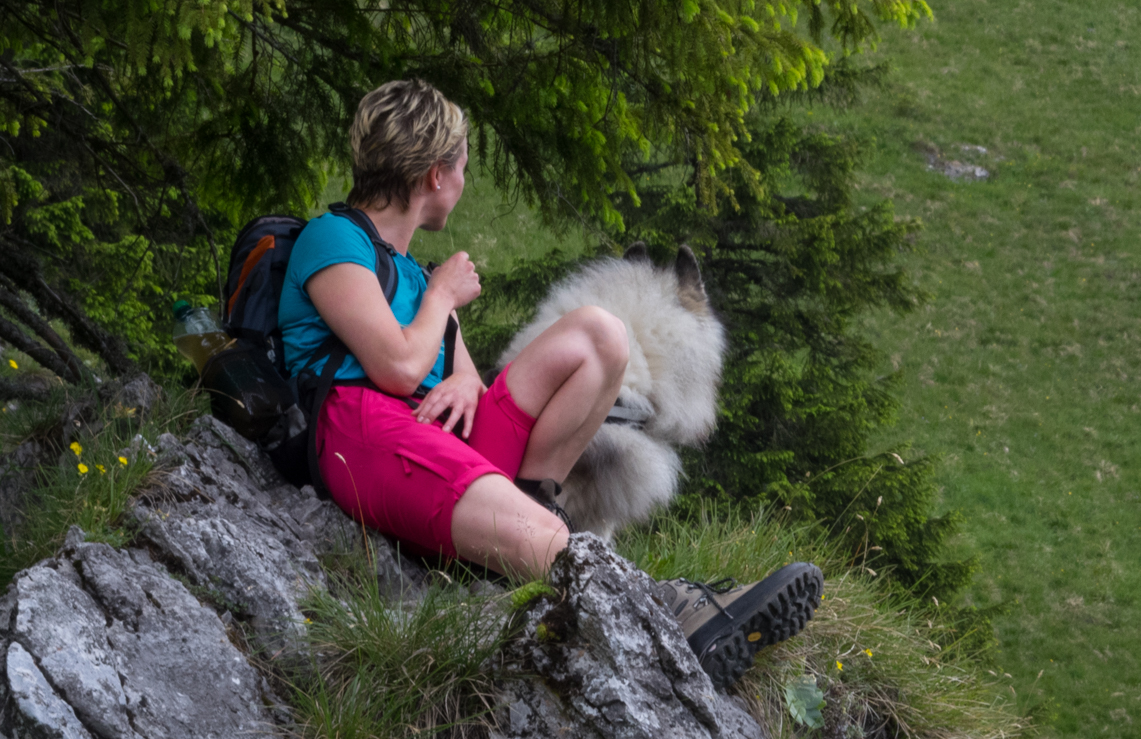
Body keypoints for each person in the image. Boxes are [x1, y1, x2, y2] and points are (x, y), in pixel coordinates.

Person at [282, 79, 819, 686]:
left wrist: (459, 367)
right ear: (435, 175)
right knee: (552, 538)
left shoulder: (411, 272)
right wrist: (440, 298)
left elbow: (466, 382)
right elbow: (397, 368)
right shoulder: (333, 240)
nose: (464, 180)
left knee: (600, 335)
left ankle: (530, 509)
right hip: (366, 437)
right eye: (462, 165)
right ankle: (672, 611)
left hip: (437, 437)